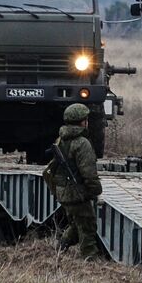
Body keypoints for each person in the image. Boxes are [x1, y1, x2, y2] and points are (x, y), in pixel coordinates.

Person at [43, 103, 104, 258]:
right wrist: (96, 191)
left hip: (64, 192)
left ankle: (61, 246)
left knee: (76, 224)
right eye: (86, 119)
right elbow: (89, 173)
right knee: (88, 226)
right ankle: (90, 259)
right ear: (83, 122)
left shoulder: (61, 140)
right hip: (77, 193)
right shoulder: (82, 143)